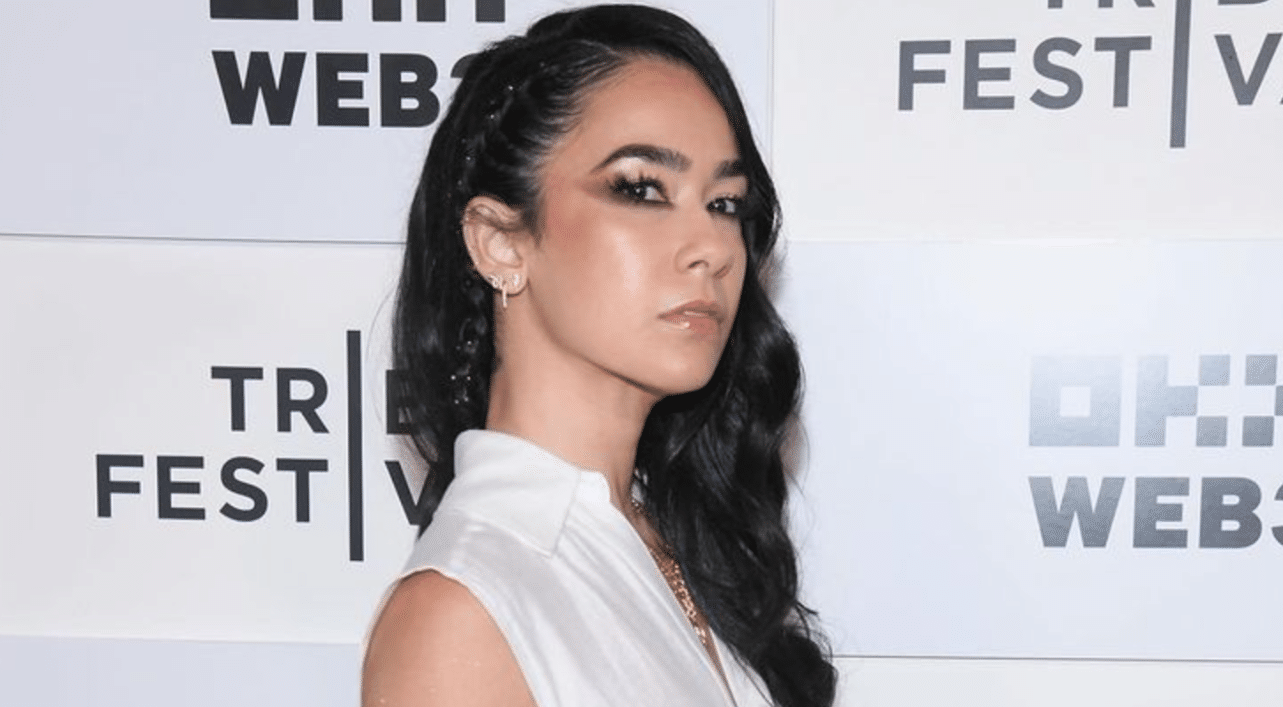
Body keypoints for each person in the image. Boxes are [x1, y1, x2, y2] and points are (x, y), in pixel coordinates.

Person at [362, 5, 836, 706]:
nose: (711, 247)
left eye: (724, 203)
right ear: (499, 242)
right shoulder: (461, 614)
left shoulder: (675, 543)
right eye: (640, 189)